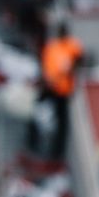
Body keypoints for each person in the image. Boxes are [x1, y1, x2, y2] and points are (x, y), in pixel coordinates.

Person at [28, 23, 84, 161]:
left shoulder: (73, 45)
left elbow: (80, 60)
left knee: (62, 122)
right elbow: (45, 65)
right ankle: (32, 144)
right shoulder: (52, 46)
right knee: (36, 112)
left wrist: (71, 69)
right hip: (49, 87)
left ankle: (57, 153)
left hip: (63, 90)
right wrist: (45, 80)